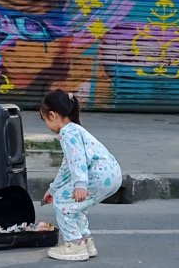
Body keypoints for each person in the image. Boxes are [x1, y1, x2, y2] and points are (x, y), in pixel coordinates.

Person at [40, 89, 122, 261]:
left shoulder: (68, 133)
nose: (46, 125)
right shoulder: (75, 130)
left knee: (63, 202)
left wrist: (80, 185)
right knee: (75, 206)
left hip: (98, 176)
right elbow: (67, 166)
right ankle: (85, 241)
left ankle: (74, 245)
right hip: (111, 176)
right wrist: (53, 189)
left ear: (53, 116)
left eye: (45, 119)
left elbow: (78, 160)